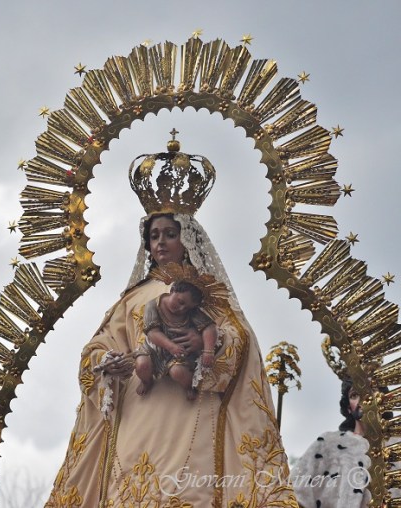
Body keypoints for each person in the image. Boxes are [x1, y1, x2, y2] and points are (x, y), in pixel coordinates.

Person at [45, 144, 298, 507]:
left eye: (170, 233)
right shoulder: (132, 298)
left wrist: (207, 345)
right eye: (154, 236)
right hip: (138, 410)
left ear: (188, 237)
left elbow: (240, 341)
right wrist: (106, 364)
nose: (161, 242)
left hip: (191, 410)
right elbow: (98, 347)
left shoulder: (203, 291)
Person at [133, 264, 223, 400]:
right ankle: (146, 381)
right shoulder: (153, 305)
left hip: (179, 352)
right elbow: (152, 333)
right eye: (180, 302)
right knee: (141, 366)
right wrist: (170, 346)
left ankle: (189, 386)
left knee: (178, 372)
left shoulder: (191, 311)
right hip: (153, 348)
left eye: (187, 308)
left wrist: (208, 351)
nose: (182, 309)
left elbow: (209, 328)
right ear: (172, 290)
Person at [289, 380, 371, 508]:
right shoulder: (328, 443)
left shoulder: (395, 445)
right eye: (355, 395)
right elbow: (293, 494)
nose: (363, 400)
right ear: (348, 407)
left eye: (369, 391)